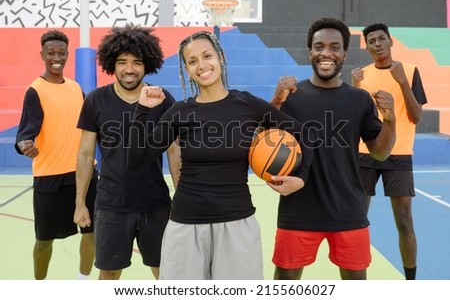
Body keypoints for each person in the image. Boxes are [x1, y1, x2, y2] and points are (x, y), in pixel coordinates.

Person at [127, 30, 315, 280]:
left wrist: (300, 178)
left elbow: (307, 135)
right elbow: (135, 159)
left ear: (221, 57)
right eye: (192, 61)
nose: (201, 65)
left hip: (237, 225)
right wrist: (142, 110)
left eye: (207, 56)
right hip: (186, 226)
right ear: (186, 68)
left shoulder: (247, 105)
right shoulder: (179, 112)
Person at [270, 17, 397, 280]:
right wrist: (276, 102)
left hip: (348, 211)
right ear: (310, 52)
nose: (326, 53)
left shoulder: (360, 99)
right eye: (319, 47)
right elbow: (265, 143)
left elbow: (379, 152)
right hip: (298, 211)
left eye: (334, 47)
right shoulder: (291, 96)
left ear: (344, 53)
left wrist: (391, 119)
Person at [73, 24, 181, 280]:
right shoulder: (95, 100)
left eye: (136, 62)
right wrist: (80, 204)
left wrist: (182, 196)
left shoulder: (162, 99)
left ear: (148, 64)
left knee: (166, 274)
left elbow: (174, 151)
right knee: (109, 274)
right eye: (122, 62)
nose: (129, 69)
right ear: (112, 64)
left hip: (155, 204)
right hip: (112, 205)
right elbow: (85, 155)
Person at [15, 30, 97, 280]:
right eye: (51, 52)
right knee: (43, 240)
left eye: (61, 52)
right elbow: (24, 133)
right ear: (42, 55)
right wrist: (23, 145)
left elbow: (90, 128)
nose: (56, 57)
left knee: (92, 233)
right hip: (49, 177)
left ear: (68, 54)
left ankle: (83, 283)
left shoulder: (76, 89)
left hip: (84, 173)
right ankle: (40, 287)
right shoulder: (35, 91)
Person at [351, 23, 427, 280]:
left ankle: (410, 282)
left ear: (391, 41)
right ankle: (356, 279)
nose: (377, 44)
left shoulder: (410, 71)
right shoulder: (361, 76)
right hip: (366, 154)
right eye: (372, 41)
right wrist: (354, 86)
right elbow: (355, 121)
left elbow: (416, 117)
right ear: (367, 46)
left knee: (404, 221)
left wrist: (403, 83)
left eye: (381, 38)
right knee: (357, 220)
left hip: (400, 154)